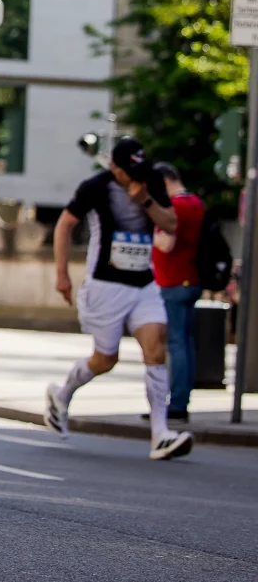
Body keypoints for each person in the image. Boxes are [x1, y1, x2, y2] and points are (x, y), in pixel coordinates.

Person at [45, 138, 194, 460]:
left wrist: (145, 202)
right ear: (114, 167)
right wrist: (61, 274)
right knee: (104, 360)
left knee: (156, 348)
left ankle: (160, 434)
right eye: (129, 170)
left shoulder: (150, 181)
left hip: (144, 283)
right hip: (106, 287)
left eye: (139, 168)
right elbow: (64, 225)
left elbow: (170, 224)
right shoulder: (95, 187)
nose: (136, 175)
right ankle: (62, 393)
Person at [151, 163, 204, 426]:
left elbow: (165, 243)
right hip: (190, 277)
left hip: (173, 280)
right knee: (184, 341)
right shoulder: (195, 202)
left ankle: (178, 402)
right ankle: (181, 398)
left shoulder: (176, 207)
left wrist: (151, 224)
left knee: (176, 343)